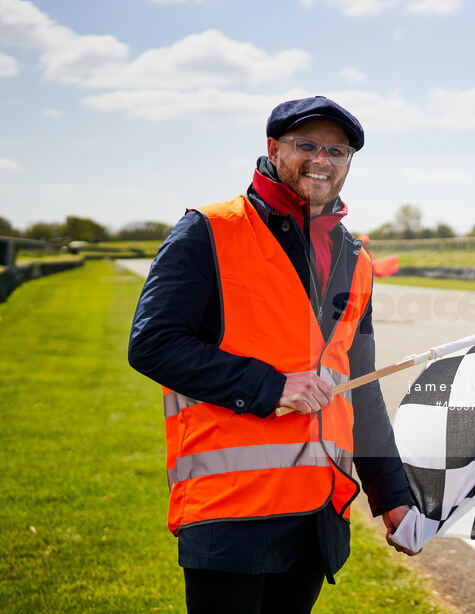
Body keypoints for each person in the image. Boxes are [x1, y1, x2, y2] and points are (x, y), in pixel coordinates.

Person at [128, 96, 416, 614]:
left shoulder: (357, 260)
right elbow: (153, 343)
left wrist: (391, 495)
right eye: (306, 145)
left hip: (317, 514)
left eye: (338, 150)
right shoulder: (208, 230)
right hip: (231, 511)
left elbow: (361, 386)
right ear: (272, 148)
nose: (322, 160)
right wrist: (271, 386)